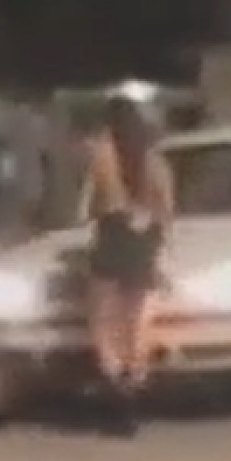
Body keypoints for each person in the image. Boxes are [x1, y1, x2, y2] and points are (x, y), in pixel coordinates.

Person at [82, 94, 173, 432]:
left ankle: (114, 379)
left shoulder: (101, 154)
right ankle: (134, 386)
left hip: (112, 236)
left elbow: (92, 206)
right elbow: (166, 211)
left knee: (101, 320)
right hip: (144, 239)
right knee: (135, 324)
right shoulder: (154, 159)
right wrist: (162, 248)